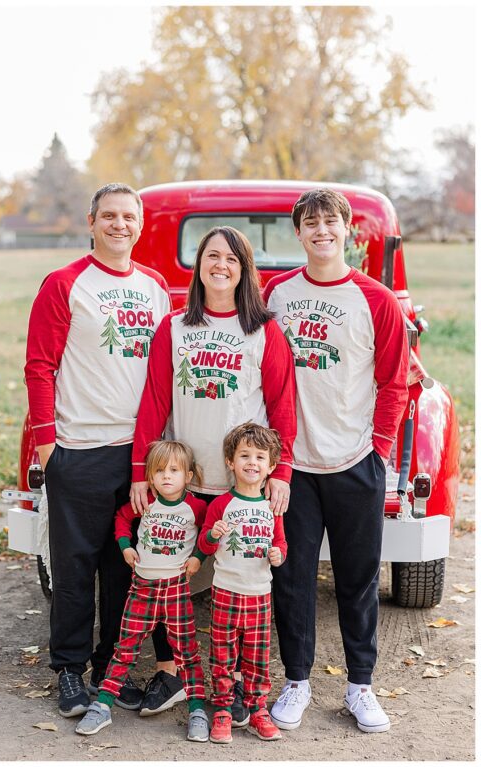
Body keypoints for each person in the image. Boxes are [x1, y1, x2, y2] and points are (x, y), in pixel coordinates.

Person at [130, 225, 296, 724]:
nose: (220, 265)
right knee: (165, 573)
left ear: (245, 270)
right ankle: (173, 672)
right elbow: (155, 402)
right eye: (211, 256)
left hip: (243, 484)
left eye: (231, 258)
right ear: (199, 265)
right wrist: (143, 470)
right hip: (185, 479)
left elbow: (282, 405)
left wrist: (280, 471)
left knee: (243, 585)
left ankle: (244, 684)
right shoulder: (174, 327)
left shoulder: (262, 330)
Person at [24, 183, 172, 716]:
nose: (119, 225)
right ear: (91, 222)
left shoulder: (156, 287)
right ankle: (69, 670)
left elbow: (160, 374)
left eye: (128, 217)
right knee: (73, 570)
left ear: (140, 223)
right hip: (77, 449)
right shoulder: (65, 284)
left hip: (136, 457)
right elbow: (39, 366)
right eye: (108, 216)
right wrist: (48, 448)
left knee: (123, 571)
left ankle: (111, 671)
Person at [265, 188, 408, 734]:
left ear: (348, 230)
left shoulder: (375, 299)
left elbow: (394, 380)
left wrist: (378, 448)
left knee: (358, 578)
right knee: (293, 578)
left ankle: (360, 686)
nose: (321, 230)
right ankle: (296, 681)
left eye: (331, 221)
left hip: (354, 460)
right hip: (292, 466)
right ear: (297, 233)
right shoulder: (277, 293)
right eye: (310, 223)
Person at [75, 440, 210, 741]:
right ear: (149, 476)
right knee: (124, 650)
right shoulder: (145, 501)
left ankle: (197, 710)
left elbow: (209, 531)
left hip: (175, 590)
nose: (166, 476)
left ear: (188, 476)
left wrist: (198, 558)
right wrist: (125, 547)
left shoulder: (196, 507)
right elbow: (122, 519)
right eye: (159, 470)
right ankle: (103, 705)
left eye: (174, 470)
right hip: (143, 588)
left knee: (187, 654)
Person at [197, 422, 288, 744]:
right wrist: (212, 535)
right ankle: (222, 709)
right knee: (222, 654)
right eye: (244, 455)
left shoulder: (271, 508)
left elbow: (281, 543)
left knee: (257, 656)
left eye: (260, 457)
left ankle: (257, 709)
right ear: (230, 462)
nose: (252, 462)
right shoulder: (221, 504)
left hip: (259, 593)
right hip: (226, 591)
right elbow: (206, 546)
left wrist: (278, 555)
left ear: (271, 466)